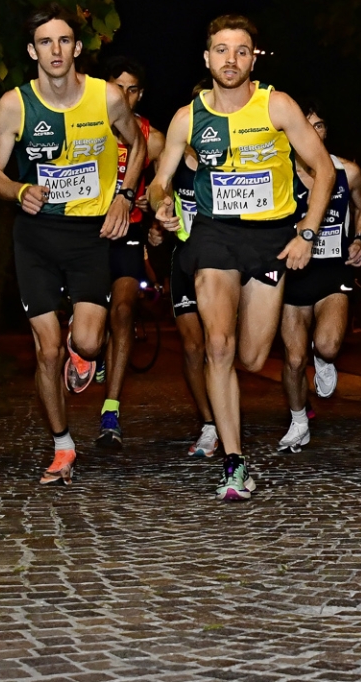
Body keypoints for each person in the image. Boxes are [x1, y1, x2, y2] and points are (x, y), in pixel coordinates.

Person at [150, 14, 334, 500]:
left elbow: (324, 171)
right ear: (206, 57)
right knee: (219, 346)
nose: (231, 60)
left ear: (253, 57)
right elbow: (158, 179)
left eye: (241, 51)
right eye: (221, 50)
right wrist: (160, 203)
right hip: (214, 236)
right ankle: (234, 464)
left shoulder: (278, 106)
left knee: (252, 357)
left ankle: (233, 447)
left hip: (271, 237)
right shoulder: (188, 118)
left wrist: (307, 234)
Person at [0, 7, 145, 485]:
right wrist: (17, 190)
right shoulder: (14, 105)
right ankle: (62, 445)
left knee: (90, 343)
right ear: (32, 51)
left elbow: (137, 148)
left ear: (77, 48)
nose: (56, 50)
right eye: (45, 42)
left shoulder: (108, 96)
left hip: (88, 236)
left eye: (65, 41)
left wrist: (124, 196)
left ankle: (83, 345)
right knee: (48, 352)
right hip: (35, 236)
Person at [276, 106, 361, 454]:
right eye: (306, 125)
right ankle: (299, 420)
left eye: (319, 125)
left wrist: (360, 238)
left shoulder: (349, 171)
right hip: (294, 273)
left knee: (327, 345)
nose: (313, 132)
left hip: (333, 269)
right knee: (294, 359)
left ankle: (324, 358)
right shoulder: (280, 173)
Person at [95, 54, 158, 449]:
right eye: (119, 87)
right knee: (91, 322)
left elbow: (176, 164)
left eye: (133, 89)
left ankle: (111, 411)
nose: (126, 96)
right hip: (87, 232)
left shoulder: (151, 134)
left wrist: (157, 196)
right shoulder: (88, 125)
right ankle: (88, 346)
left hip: (129, 233)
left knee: (122, 311)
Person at [149, 106, 219, 458]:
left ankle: (225, 411)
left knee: (220, 344)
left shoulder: (225, 159)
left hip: (221, 263)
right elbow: (156, 189)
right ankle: (209, 424)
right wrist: (160, 219)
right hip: (185, 261)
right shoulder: (172, 160)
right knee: (193, 347)